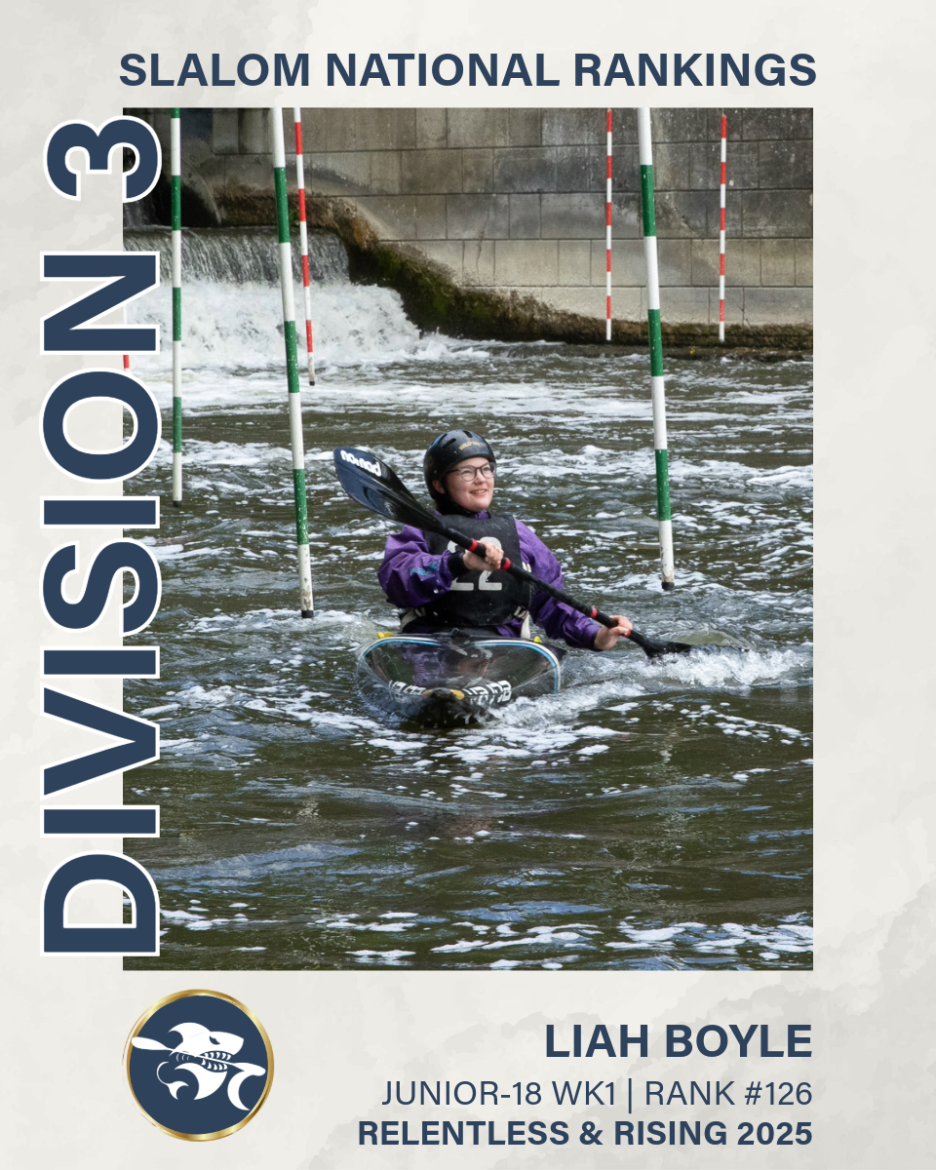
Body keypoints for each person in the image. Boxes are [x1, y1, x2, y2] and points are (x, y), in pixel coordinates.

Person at [377, 430, 632, 650]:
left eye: (486, 469)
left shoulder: (519, 535)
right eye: (466, 471)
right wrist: (459, 563)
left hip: (503, 651)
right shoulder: (419, 531)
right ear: (439, 485)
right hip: (429, 645)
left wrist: (596, 635)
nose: (481, 478)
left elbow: (552, 604)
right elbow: (398, 581)